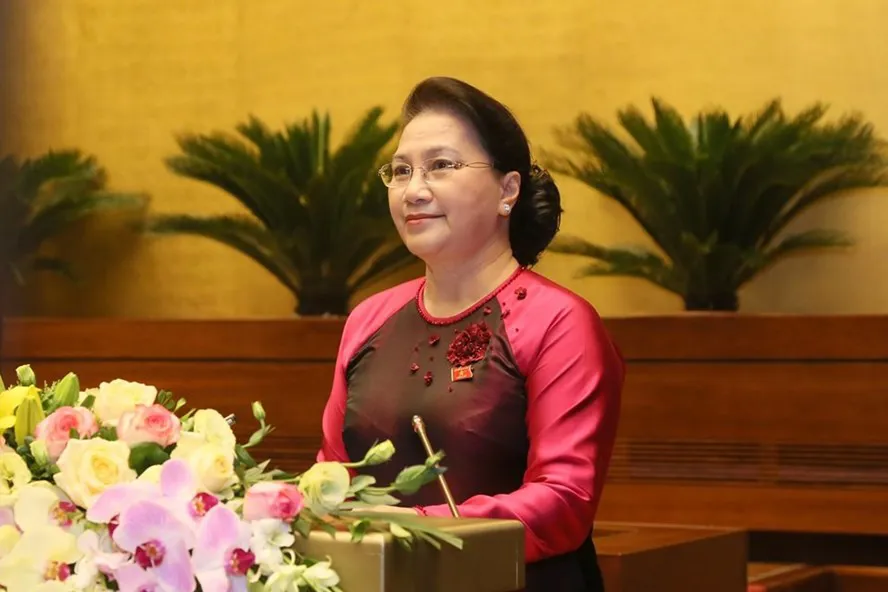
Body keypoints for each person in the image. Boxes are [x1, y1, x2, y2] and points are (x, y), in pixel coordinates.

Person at [317, 76, 624, 591]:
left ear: (508, 190)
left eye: (441, 165)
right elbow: (331, 476)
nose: (414, 190)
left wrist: (410, 530)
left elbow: (563, 501)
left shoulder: (559, 321)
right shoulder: (368, 318)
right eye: (401, 170)